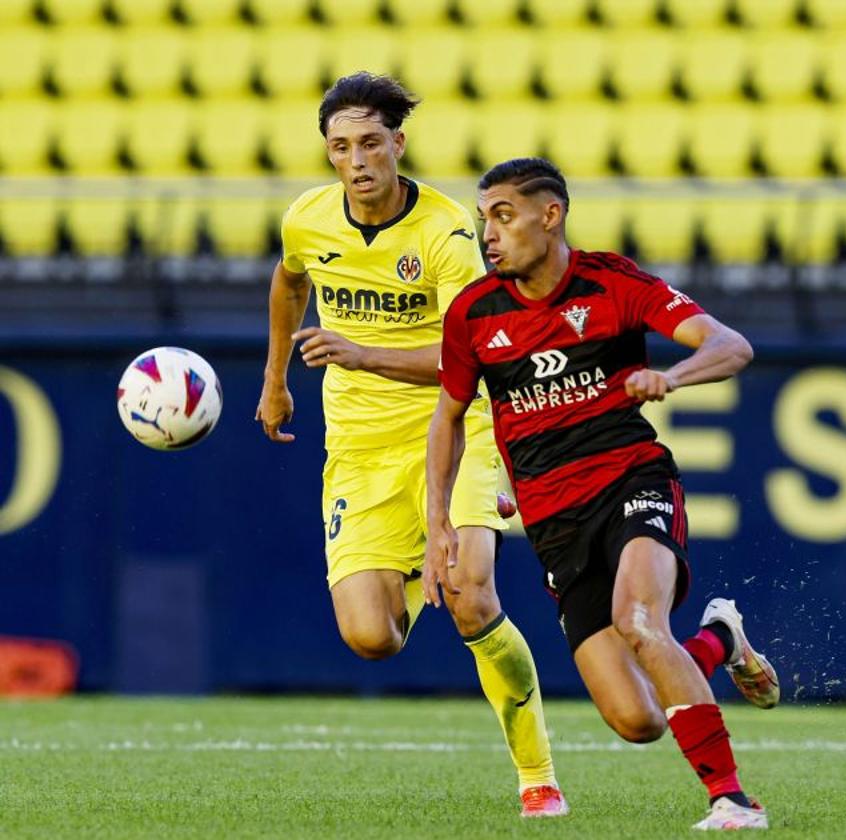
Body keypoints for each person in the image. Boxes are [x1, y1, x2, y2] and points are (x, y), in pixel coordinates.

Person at [424, 158, 778, 831]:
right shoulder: (473, 313)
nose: (488, 235)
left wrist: (672, 378)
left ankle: (732, 799)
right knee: (637, 720)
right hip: (554, 522)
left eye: (502, 215)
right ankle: (719, 640)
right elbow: (447, 418)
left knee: (640, 622)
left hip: (631, 483)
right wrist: (438, 521)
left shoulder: (610, 282)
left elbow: (731, 346)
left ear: (549, 215)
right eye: (482, 219)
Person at [253, 74, 565, 817]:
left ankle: (538, 777)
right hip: (359, 445)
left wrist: (360, 353)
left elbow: (474, 355)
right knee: (372, 636)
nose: (356, 160)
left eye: (369, 142)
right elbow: (289, 280)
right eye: (339, 147)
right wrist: (274, 380)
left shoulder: (448, 234)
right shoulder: (307, 219)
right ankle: (434, 566)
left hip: (455, 426)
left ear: (399, 142)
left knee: (471, 593)